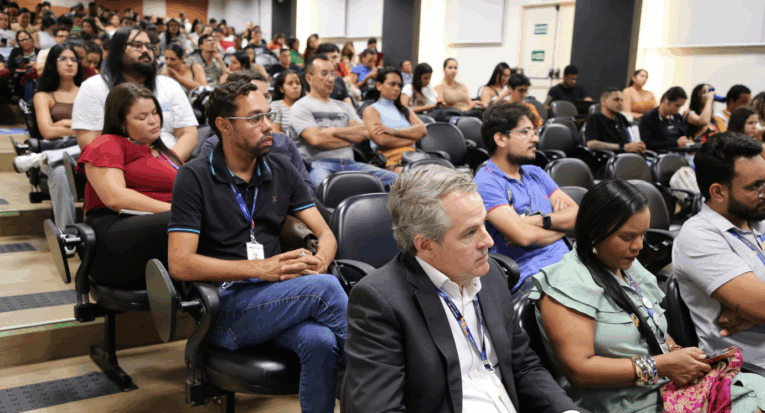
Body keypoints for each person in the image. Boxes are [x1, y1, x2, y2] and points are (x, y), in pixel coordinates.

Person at [342, 165, 586, 413]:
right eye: (470, 233)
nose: (488, 241)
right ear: (425, 246)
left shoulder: (491, 275)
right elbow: (380, 408)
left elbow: (523, 366)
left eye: (484, 224)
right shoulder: (380, 302)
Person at [167, 80, 346, 413]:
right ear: (224, 125)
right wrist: (260, 268)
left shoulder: (281, 168)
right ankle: (392, 390)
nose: (267, 126)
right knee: (326, 290)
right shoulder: (194, 177)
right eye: (254, 118)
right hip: (224, 306)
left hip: (279, 296)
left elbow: (327, 235)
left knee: (320, 340)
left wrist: (320, 262)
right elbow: (179, 263)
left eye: (267, 115)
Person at [531, 179, 765, 413]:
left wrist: (678, 354)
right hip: (623, 403)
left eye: (642, 234)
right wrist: (661, 365)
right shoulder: (566, 282)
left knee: (757, 390)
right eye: (627, 237)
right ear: (594, 231)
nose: (639, 246)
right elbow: (580, 372)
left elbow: (654, 329)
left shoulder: (626, 266)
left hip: (663, 388)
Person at [673, 132, 765, 377]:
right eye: (755, 187)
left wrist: (752, 315)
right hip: (748, 371)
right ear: (718, 192)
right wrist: (758, 310)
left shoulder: (757, 218)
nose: (764, 192)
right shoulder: (698, 237)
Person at [76, 83, 183, 288]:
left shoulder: (163, 152)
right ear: (121, 122)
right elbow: (115, 198)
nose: (153, 121)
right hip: (116, 232)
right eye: (142, 117)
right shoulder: (107, 143)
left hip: (162, 226)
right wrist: (180, 212)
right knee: (190, 222)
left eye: (155, 113)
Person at [475, 103, 578, 297]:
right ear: (500, 138)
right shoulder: (486, 183)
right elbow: (523, 237)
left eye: (534, 132)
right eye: (525, 132)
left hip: (571, 262)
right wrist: (562, 227)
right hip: (532, 277)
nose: (535, 138)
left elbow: (577, 215)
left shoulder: (536, 173)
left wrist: (534, 221)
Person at [72, 27, 198, 160]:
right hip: (116, 165)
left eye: (149, 46)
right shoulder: (94, 87)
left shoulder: (169, 85)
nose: (145, 50)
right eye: (137, 45)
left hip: (170, 161)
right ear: (118, 50)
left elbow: (189, 133)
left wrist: (168, 164)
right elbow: (88, 139)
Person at [198, 69, 316, 198]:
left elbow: (308, 190)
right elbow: (213, 196)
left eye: (266, 96)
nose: (263, 102)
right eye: (256, 96)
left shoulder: (284, 142)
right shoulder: (214, 146)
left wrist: (282, 203)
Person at [290, 54, 397, 188]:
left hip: (351, 164)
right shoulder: (301, 106)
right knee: (323, 188)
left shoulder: (344, 106)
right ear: (309, 78)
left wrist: (332, 131)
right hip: (319, 165)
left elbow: (365, 132)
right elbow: (316, 139)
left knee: (401, 182)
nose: (330, 79)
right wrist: (350, 135)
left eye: (332, 74)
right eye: (324, 74)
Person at [12, 44, 82, 231]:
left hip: (85, 149)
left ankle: (43, 158)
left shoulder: (87, 91)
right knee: (59, 172)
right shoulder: (43, 95)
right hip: (57, 147)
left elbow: (98, 129)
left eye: (73, 59)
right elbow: (48, 132)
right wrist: (78, 126)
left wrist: (62, 124)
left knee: (92, 142)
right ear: (52, 63)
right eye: (63, 59)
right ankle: (66, 234)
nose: (70, 63)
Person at [362, 67, 427, 171]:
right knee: (417, 176)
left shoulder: (405, 109)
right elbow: (382, 140)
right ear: (379, 86)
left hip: (412, 157)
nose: (397, 88)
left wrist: (393, 131)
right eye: (392, 84)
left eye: (399, 85)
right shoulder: (371, 110)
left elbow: (423, 130)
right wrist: (412, 138)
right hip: (388, 160)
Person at [585, 88, 646, 154]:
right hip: (608, 157)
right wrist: (622, 147)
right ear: (603, 101)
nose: (620, 103)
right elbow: (591, 144)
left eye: (622, 100)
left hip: (627, 155)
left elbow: (632, 138)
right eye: (616, 99)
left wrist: (639, 145)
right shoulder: (594, 119)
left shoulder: (621, 118)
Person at [639, 86, 692, 151]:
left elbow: (684, 136)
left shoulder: (678, 118)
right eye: (677, 105)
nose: (678, 109)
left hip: (679, 152)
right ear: (666, 100)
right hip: (660, 154)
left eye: (680, 106)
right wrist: (675, 143)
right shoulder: (649, 118)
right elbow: (647, 143)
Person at [313, 43, 354, 107]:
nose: (337, 61)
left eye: (338, 57)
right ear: (321, 58)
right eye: (334, 57)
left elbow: (350, 107)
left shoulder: (339, 80)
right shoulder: (310, 79)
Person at [271, 68, 303, 134]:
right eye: (290, 84)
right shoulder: (275, 106)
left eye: (298, 83)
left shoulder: (306, 105)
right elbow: (275, 132)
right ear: (281, 89)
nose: (295, 86)